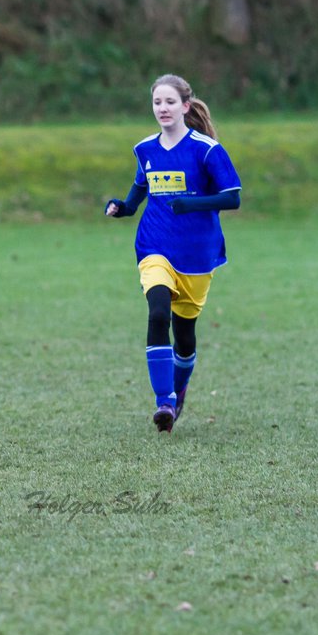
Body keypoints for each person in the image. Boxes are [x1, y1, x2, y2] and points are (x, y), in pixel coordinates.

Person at [105, 73, 242, 433]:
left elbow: (233, 197)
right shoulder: (145, 149)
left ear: (185, 106)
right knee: (157, 313)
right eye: (156, 102)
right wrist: (121, 207)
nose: (162, 108)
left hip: (197, 254)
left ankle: (179, 390)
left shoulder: (207, 150)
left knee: (184, 336)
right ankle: (163, 401)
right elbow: (136, 195)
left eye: (169, 102)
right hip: (154, 245)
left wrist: (195, 204)